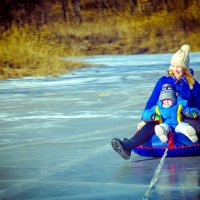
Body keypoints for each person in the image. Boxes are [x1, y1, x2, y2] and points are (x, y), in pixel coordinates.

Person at [111, 44, 200, 160]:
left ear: (185, 68)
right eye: (173, 66)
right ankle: (128, 146)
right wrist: (144, 120)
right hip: (164, 116)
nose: (175, 69)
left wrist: (194, 115)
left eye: (179, 66)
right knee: (151, 124)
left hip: (185, 117)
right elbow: (152, 102)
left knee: (196, 127)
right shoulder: (163, 81)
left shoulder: (193, 85)